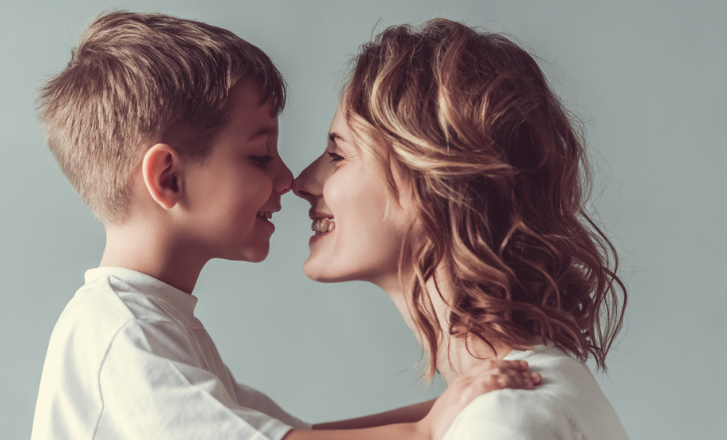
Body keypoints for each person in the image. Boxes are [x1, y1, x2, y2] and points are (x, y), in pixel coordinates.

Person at [32, 11, 539, 440]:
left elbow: (305, 435)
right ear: (168, 178)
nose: (287, 178)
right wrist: (425, 432)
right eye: (259, 156)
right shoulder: (123, 334)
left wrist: (443, 408)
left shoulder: (153, 323)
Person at [293, 19, 629, 440]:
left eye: (336, 155)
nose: (300, 183)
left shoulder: (504, 419)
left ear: (432, 179)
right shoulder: (525, 393)